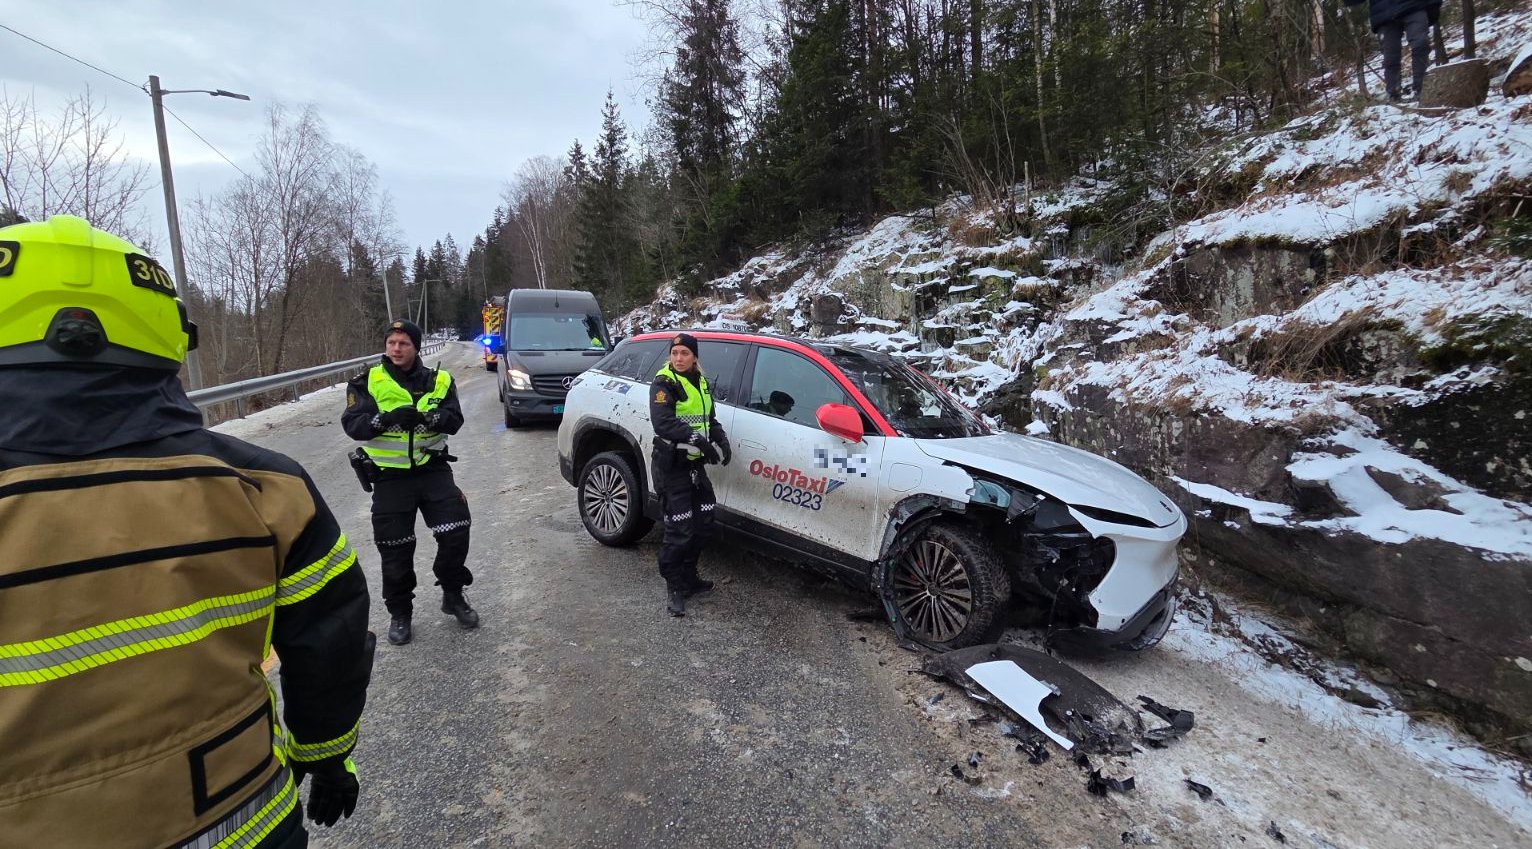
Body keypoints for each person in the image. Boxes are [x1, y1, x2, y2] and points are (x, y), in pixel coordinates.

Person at [0, 215, 374, 848]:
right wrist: (328, 753)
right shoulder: (262, 486)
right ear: (168, 332)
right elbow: (329, 639)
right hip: (243, 817)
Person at [343, 318, 478, 646]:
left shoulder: (440, 380)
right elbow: (353, 424)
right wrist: (383, 420)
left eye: (403, 343)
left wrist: (432, 418)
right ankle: (400, 613)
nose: (396, 348)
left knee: (456, 531)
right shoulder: (366, 381)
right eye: (391, 343)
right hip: (390, 479)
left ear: (416, 347)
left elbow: (455, 419)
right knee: (395, 550)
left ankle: (452, 593)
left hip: (433, 470)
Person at [649, 332, 731, 617]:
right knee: (679, 529)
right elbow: (664, 423)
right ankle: (674, 586)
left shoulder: (701, 382)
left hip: (695, 468)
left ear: (695, 357)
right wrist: (700, 441)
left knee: (704, 521)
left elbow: (708, 419)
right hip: (672, 467)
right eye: (675, 353)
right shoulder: (664, 384)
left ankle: (689, 577)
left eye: (685, 353)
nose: (679, 358)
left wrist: (720, 440)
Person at [1348, 0, 1441, 100]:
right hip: (1384, 14)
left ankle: (1422, 90)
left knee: (1421, 44)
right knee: (1390, 57)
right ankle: (1393, 94)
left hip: (1414, 6)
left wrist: (1433, 6)